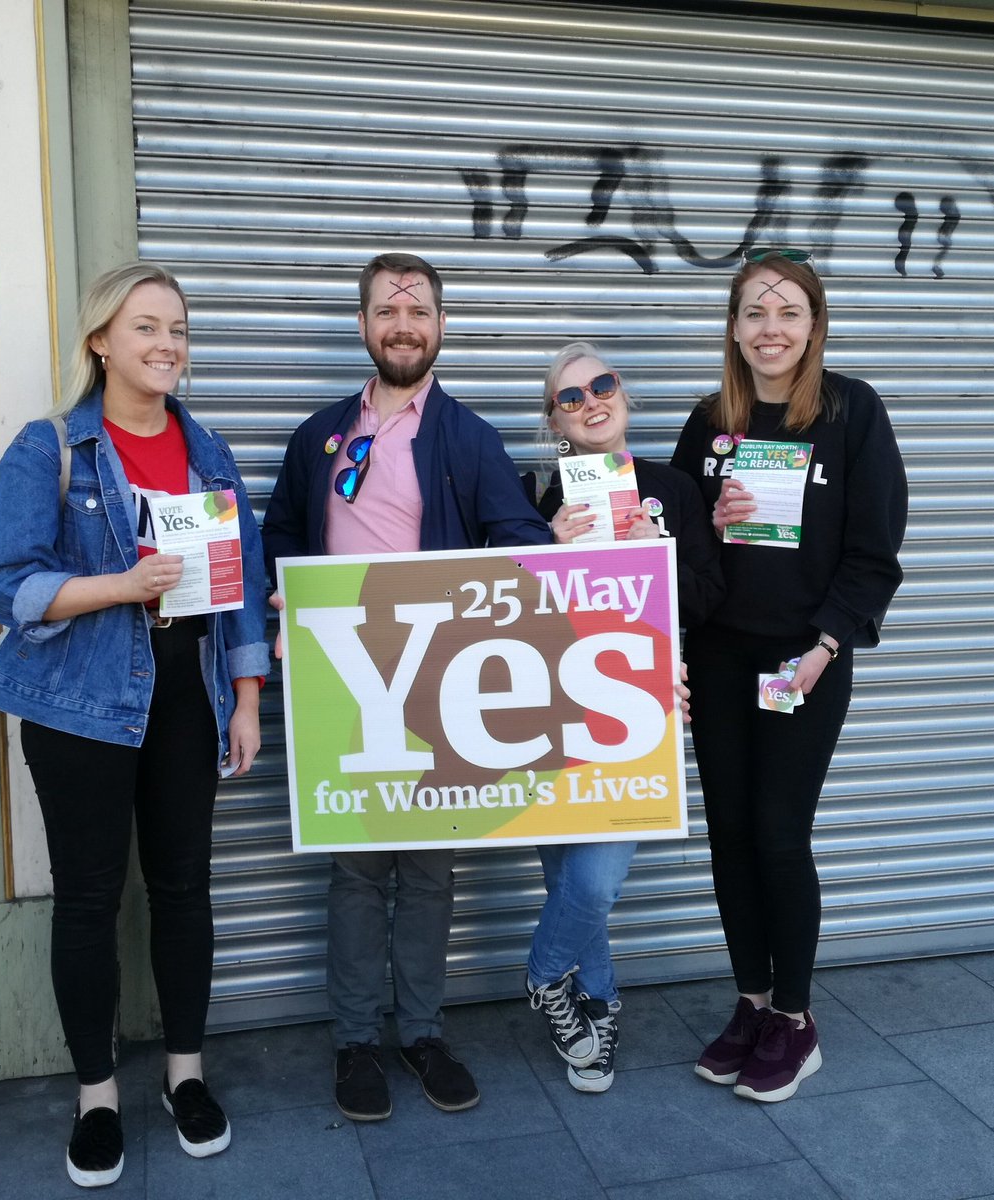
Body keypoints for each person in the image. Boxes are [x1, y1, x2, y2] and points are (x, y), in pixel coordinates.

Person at [0, 262, 270, 1186]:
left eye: (178, 328)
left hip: (188, 698)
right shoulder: (50, 448)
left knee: (185, 889)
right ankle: (95, 1096)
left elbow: (244, 595)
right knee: (90, 898)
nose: (167, 345)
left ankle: (186, 1077)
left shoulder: (208, 453)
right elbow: (5, 586)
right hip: (79, 704)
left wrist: (249, 699)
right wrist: (122, 586)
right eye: (146, 328)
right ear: (101, 341)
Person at [262, 251, 551, 1122]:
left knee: (428, 873)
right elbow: (276, 534)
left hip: (437, 681)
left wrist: (581, 548)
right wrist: (279, 602)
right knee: (354, 872)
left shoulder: (467, 436)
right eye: (387, 309)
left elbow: (520, 539)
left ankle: (421, 1032)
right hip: (342, 677)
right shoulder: (320, 434)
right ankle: (354, 1042)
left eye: (418, 309)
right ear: (362, 326)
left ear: (439, 326)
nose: (402, 323)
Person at [670, 248, 907, 1103]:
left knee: (777, 833)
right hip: (719, 656)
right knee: (728, 836)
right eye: (753, 314)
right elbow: (679, 547)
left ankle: (796, 1021)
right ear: (732, 328)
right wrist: (704, 520)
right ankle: (751, 1002)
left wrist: (824, 648)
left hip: (801, 659)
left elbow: (873, 553)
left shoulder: (849, 413)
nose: (770, 329)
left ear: (813, 324)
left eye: (787, 313)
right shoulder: (709, 421)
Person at [524, 342, 723, 1093]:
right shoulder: (544, 500)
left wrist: (660, 553)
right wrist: (547, 548)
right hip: (556, 715)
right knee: (568, 880)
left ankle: (544, 978)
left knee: (596, 882)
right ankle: (597, 1013)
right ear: (556, 422)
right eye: (568, 398)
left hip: (641, 715)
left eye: (600, 385)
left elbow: (708, 599)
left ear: (623, 394)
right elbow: (512, 615)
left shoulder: (673, 486)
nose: (589, 402)